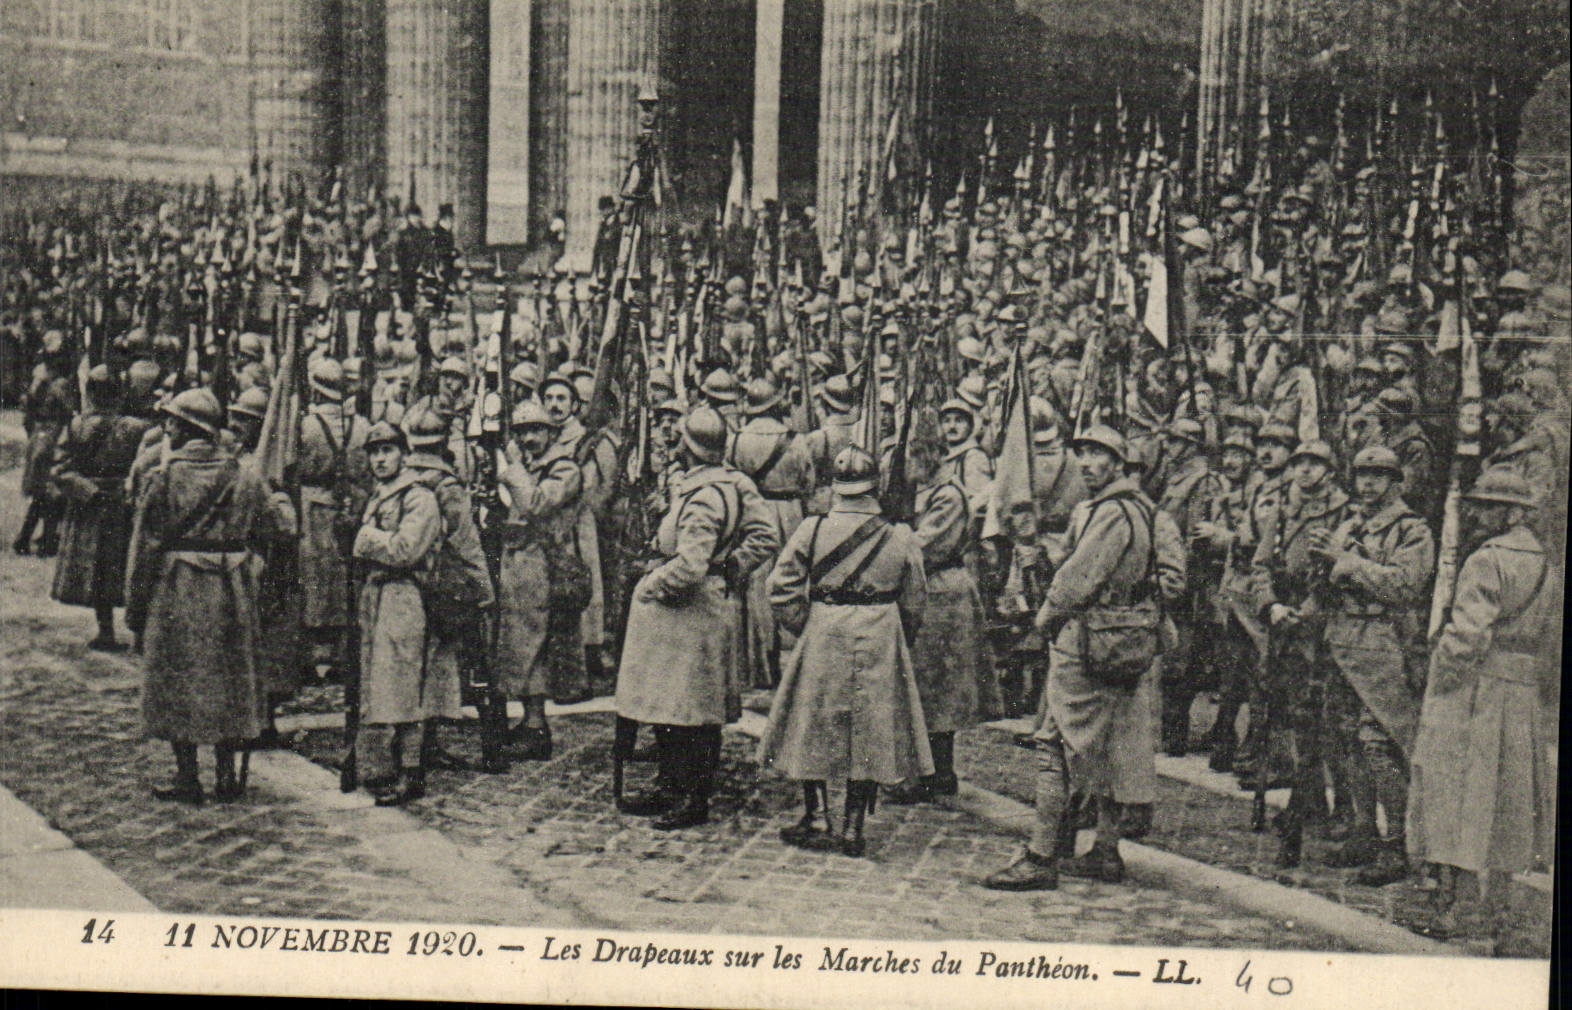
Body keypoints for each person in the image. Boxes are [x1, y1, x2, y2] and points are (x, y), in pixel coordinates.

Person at [982, 425, 1163, 890]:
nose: (1086, 463)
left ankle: (1041, 856)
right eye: (1081, 453)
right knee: (1105, 749)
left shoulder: (1113, 513)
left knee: (1053, 742)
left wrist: (1040, 623)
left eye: (1098, 455)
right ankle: (1105, 849)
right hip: (1121, 639)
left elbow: (1075, 583)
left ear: (1120, 464)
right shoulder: (1134, 508)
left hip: (1088, 641)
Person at [1408, 469, 1560, 938]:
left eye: (1490, 506)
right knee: (1510, 798)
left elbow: (1467, 636)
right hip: (1522, 691)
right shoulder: (1547, 563)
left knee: (1457, 791)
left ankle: (1451, 908)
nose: (1478, 513)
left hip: (1476, 689)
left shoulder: (1486, 559)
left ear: (1513, 513)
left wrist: (1440, 683)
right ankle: (1499, 909)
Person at [760, 446, 929, 856]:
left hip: (826, 627)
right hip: (880, 632)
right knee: (870, 730)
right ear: (874, 487)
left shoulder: (812, 529)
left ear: (836, 488)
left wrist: (808, 623)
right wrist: (897, 633)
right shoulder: (901, 535)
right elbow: (916, 598)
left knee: (811, 723)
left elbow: (779, 588)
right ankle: (853, 827)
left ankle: (817, 815)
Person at [617, 407, 778, 830]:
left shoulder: (709, 493)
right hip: (689, 615)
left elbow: (691, 564)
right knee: (672, 707)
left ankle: (693, 797)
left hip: (691, 613)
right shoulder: (719, 483)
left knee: (695, 715)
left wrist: (651, 584)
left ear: (690, 448)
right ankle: (670, 785)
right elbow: (761, 537)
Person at [127, 388, 275, 804]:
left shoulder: (165, 477)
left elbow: (144, 548)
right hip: (234, 588)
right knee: (230, 678)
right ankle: (226, 775)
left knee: (178, 679)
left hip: (179, 589)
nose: (167, 427)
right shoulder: (245, 476)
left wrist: (136, 609)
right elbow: (274, 526)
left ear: (188, 428)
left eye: (172, 421)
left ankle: (188, 776)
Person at [1315, 446, 1434, 883]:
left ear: (1396, 483)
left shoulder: (1412, 530)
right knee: (1346, 741)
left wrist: (1351, 564)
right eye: (1362, 476)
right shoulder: (1349, 524)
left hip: (1384, 645)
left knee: (1378, 745)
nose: (1367, 485)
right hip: (1342, 641)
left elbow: (1404, 585)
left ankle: (1396, 844)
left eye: (1378, 477)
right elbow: (1328, 580)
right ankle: (1364, 829)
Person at [1250, 440, 1351, 867]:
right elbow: (1259, 566)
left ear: (1329, 471)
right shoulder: (1282, 509)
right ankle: (1305, 800)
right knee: (1289, 716)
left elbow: (1338, 569)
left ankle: (1336, 807)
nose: (1306, 471)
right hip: (1283, 626)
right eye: (1300, 463)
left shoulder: (1345, 513)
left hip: (1322, 628)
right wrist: (1270, 605)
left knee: (1325, 722)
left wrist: (1308, 611)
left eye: (1315, 464)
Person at [887, 435, 997, 805]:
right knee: (928, 686)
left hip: (942, 593)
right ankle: (937, 771)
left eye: (912, 459)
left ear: (928, 457)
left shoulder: (948, 495)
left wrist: (888, 543)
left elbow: (923, 546)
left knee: (935, 688)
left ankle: (931, 774)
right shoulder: (926, 490)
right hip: (928, 590)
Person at [495, 400, 591, 760]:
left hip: (545, 563)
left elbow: (536, 504)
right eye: (523, 432)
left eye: (537, 430)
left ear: (552, 433)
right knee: (519, 643)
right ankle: (529, 719)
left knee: (534, 644)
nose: (530, 438)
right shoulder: (531, 466)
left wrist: (513, 471)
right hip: (520, 561)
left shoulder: (564, 469)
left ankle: (536, 726)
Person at [404, 405, 498, 771]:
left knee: (414, 663)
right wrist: (484, 589)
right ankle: (472, 747)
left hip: (409, 582)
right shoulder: (447, 486)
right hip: (444, 585)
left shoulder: (402, 479)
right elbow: (466, 542)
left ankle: (418, 743)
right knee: (456, 664)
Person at [48, 365, 154, 651]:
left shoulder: (76, 426)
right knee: (131, 566)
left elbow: (60, 469)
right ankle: (138, 635)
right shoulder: (137, 428)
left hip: (91, 508)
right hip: (124, 506)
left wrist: (88, 491)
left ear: (90, 392)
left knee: (98, 570)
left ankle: (106, 631)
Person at [729, 377, 816, 689]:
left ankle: (763, 663)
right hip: (791, 513)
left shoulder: (738, 440)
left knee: (757, 588)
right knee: (793, 581)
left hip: (755, 513)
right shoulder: (796, 439)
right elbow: (809, 482)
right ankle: (798, 658)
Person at [297, 356, 372, 679]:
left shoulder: (306, 426)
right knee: (346, 574)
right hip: (352, 506)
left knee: (315, 575)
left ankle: (319, 654)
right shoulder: (363, 426)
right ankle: (343, 650)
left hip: (314, 506)